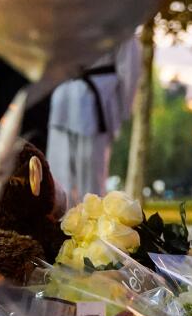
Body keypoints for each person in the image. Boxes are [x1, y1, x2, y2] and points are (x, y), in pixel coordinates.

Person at [46, 37, 143, 198]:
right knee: (91, 186)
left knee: (59, 179)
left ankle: (60, 220)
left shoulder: (65, 15)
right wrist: (122, 111)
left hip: (64, 99)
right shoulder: (122, 22)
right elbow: (129, 72)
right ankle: (86, 221)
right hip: (93, 105)